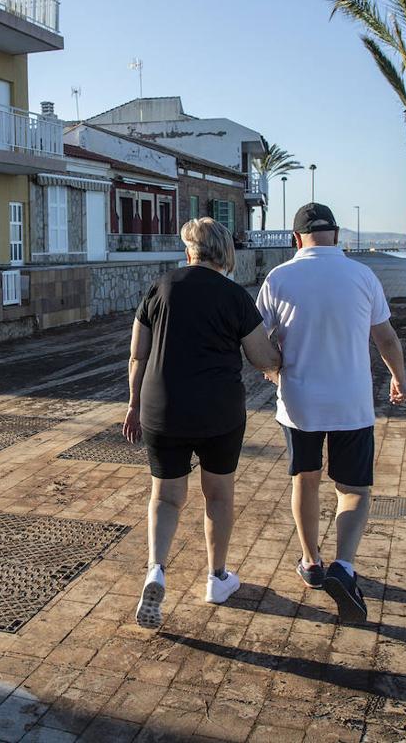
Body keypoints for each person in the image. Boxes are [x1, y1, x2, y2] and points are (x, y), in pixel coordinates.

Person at [256, 203, 406, 623]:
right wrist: (398, 378)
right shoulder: (363, 276)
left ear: (296, 239)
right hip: (351, 403)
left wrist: (272, 369)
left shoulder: (279, 277)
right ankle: (343, 565)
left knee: (305, 480)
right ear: (337, 235)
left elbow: (255, 339)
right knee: (354, 489)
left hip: (300, 403)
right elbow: (386, 339)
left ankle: (311, 562)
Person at [124, 217, 281, 629]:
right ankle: (216, 578)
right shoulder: (234, 296)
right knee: (218, 496)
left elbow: (137, 354)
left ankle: (156, 569)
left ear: (189, 250)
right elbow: (262, 358)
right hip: (218, 411)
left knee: (165, 497)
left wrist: (132, 404)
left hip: (161, 408)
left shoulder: (160, 287)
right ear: (224, 252)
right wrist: (280, 356)